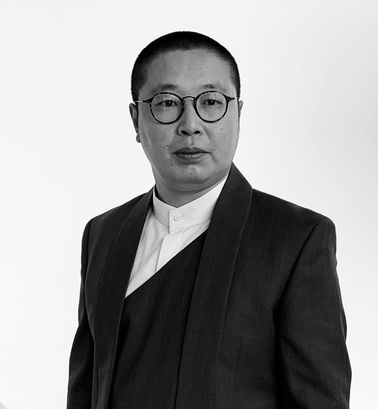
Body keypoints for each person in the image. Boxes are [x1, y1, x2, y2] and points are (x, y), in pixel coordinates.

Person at [66, 31, 351, 409]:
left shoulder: (294, 240)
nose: (190, 125)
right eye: (167, 103)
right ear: (136, 120)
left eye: (211, 102)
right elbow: (85, 389)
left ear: (238, 114)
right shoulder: (103, 234)